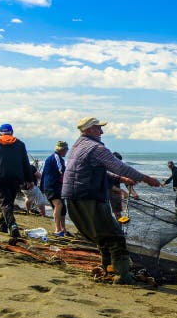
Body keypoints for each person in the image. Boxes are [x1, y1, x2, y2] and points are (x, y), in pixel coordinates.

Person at [62, 117, 160, 284]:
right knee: (116, 237)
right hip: (88, 197)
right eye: (98, 128)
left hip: (73, 196)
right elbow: (119, 165)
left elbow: (98, 171)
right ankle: (123, 277)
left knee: (102, 236)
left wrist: (122, 179)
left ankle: (107, 268)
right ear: (89, 130)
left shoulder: (78, 146)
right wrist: (145, 178)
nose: (102, 132)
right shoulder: (96, 148)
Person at [0, 123, 35, 239]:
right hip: (16, 178)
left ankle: (12, 225)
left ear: (0, 133)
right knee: (8, 202)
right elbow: (25, 163)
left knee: (5, 203)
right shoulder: (20, 144)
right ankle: (2, 225)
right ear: (12, 132)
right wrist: (29, 179)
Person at [41, 140, 71, 236]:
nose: (67, 152)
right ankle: (57, 229)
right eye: (66, 149)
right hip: (52, 186)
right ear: (62, 149)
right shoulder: (55, 158)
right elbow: (61, 170)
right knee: (58, 205)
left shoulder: (60, 159)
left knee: (63, 208)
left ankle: (63, 229)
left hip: (57, 186)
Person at [109, 152, 139, 219]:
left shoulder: (120, 170)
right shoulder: (105, 169)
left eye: (119, 162)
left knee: (118, 213)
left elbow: (127, 183)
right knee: (105, 212)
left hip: (115, 192)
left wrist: (134, 193)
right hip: (103, 191)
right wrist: (122, 191)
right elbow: (107, 184)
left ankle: (119, 227)